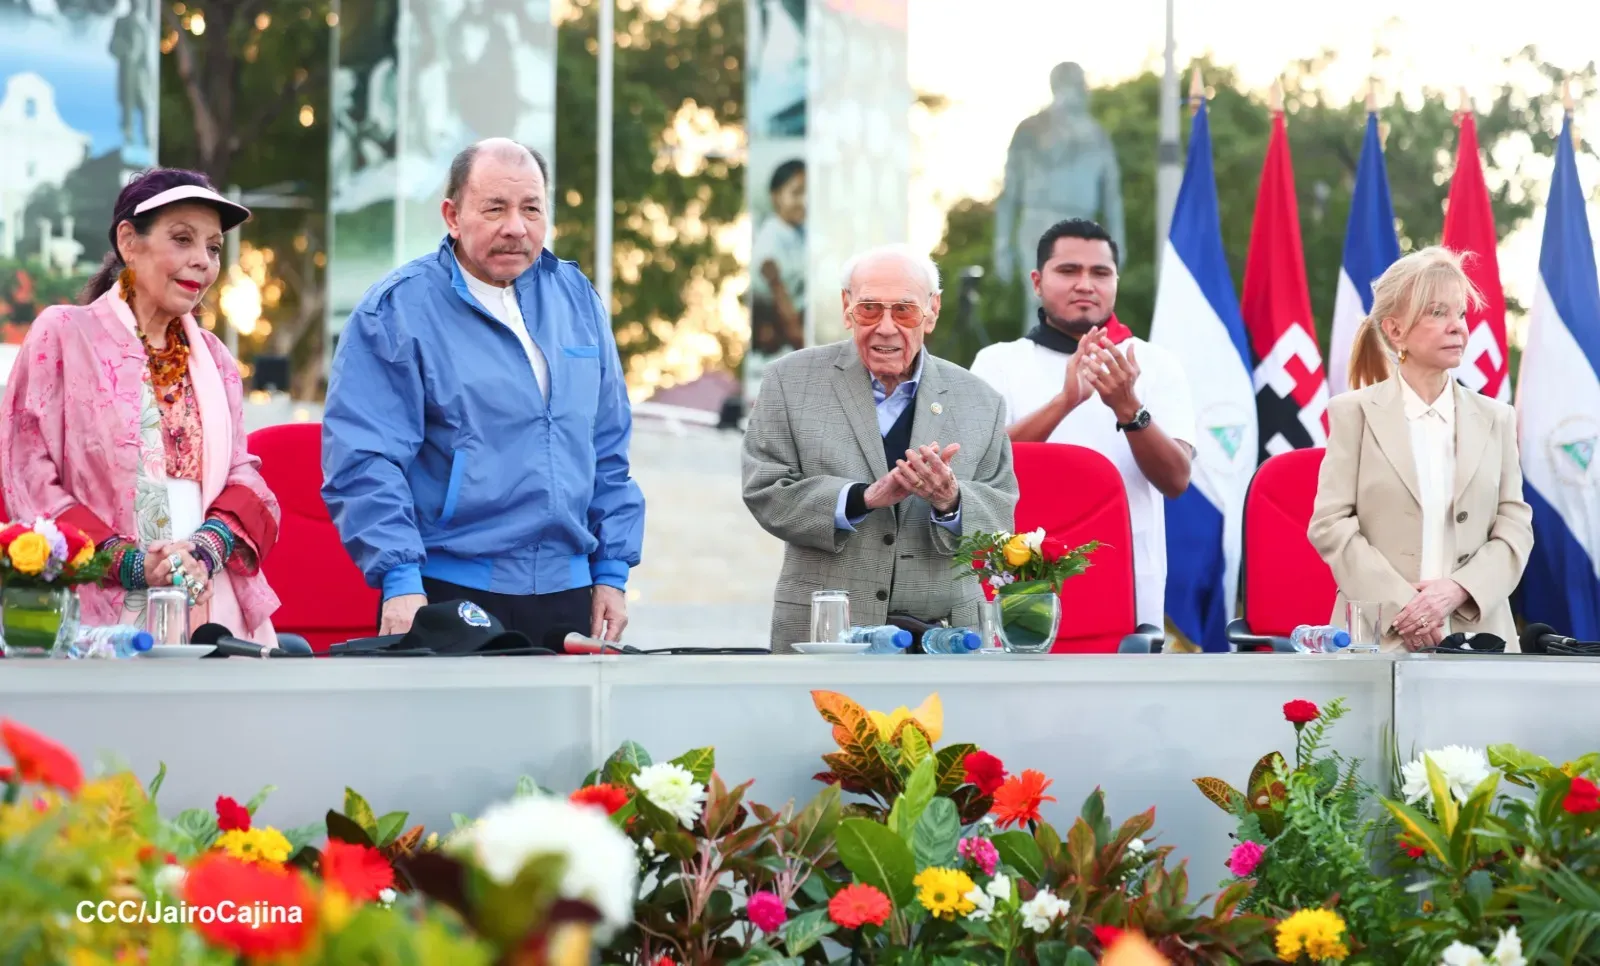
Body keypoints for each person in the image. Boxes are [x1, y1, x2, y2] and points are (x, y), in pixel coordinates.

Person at [323, 138, 644, 645]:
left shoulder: (578, 300)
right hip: (448, 588)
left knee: (565, 729)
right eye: (495, 208)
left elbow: (607, 450)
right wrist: (400, 579)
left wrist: (611, 573)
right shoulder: (396, 311)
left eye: (531, 209)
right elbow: (365, 461)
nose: (515, 227)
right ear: (452, 215)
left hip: (569, 593)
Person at [0, 169, 281, 642]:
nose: (202, 262)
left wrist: (206, 547)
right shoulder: (65, 334)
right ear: (129, 241)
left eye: (212, 247)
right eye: (182, 239)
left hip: (206, 595)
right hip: (97, 601)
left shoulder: (214, 357)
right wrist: (128, 562)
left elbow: (244, 474)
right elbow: (26, 472)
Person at [742, 244, 1018, 652]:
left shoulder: (982, 400)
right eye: (870, 308)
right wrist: (860, 498)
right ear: (846, 307)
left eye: (904, 310)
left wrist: (951, 499)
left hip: (945, 638)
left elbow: (1001, 515)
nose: (886, 327)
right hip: (824, 635)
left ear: (932, 311)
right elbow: (764, 490)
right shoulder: (789, 381)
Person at [970, 218, 1194, 632]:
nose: (1086, 284)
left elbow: (1177, 480)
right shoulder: (998, 361)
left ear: (1116, 282)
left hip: (1129, 582)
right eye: (1069, 270)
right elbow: (980, 468)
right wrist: (1065, 402)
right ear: (1037, 281)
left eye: (1100, 273)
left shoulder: (1155, 363)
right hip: (1018, 576)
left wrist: (1128, 408)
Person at [1309, 247, 1532, 652]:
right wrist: (1407, 608)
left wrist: (1457, 590)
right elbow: (1330, 524)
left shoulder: (1497, 418)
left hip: (1480, 638)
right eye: (1437, 313)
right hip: (1378, 639)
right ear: (1395, 331)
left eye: (1461, 314)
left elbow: (1514, 527)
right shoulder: (1352, 413)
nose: (1457, 327)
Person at [746, 158, 807, 406]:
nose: (804, 201)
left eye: (808, 193)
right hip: (783, 345)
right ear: (775, 196)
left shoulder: (798, 233)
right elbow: (784, 305)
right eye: (796, 192)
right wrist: (810, 350)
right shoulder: (770, 242)